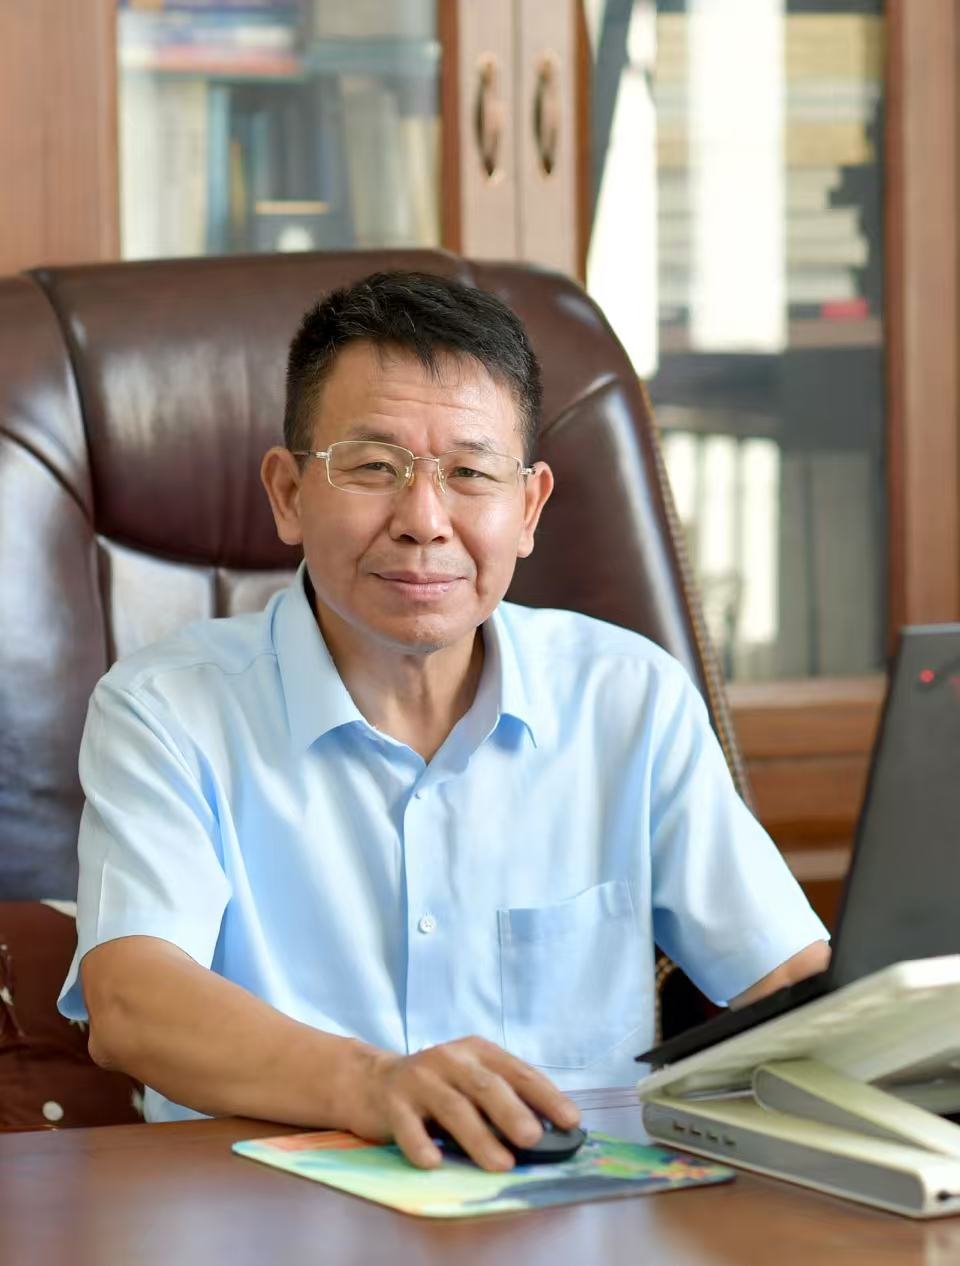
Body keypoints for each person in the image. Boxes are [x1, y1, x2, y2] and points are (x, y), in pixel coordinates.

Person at [58, 271, 829, 1172]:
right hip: (267, 1216)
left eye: (470, 473)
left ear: (529, 507)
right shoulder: (166, 710)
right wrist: (373, 1087)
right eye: (372, 467)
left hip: (571, 1214)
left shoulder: (628, 700)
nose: (424, 521)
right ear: (288, 493)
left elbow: (789, 984)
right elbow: (133, 1002)